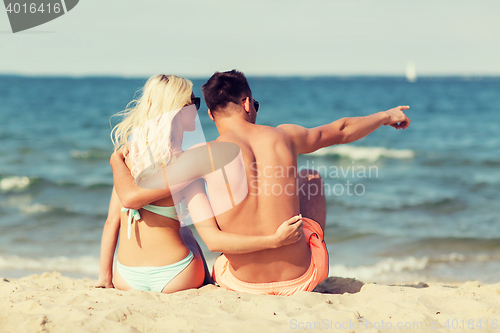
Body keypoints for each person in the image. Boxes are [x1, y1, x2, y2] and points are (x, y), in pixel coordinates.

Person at [111, 70, 411, 296]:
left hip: (239, 284)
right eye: (254, 103)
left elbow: (131, 196)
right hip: (303, 279)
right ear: (245, 104)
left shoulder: (201, 156)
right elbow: (342, 129)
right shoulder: (285, 136)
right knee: (310, 178)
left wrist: (117, 161)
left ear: (213, 115)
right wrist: (386, 116)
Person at [94, 74, 303, 293]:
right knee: (186, 232)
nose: (198, 109)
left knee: (184, 230)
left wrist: (105, 277)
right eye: (194, 103)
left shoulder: (127, 158)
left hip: (126, 278)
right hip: (174, 276)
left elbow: (111, 222)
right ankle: (209, 282)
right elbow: (212, 239)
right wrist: (274, 240)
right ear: (177, 110)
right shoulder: (186, 163)